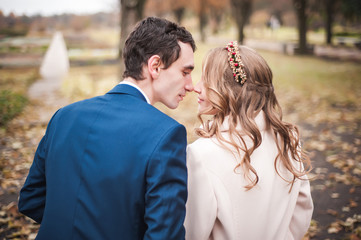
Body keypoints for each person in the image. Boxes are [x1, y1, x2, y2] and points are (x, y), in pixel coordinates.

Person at [18, 16, 195, 239]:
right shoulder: (166, 134)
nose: (190, 85)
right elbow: (164, 234)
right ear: (155, 66)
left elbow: (31, 199)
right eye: (185, 72)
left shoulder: (64, 116)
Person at [185, 42, 313, 240]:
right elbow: (301, 215)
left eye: (205, 79)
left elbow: (193, 232)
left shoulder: (201, 154)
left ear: (227, 89)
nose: (196, 87)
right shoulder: (289, 140)